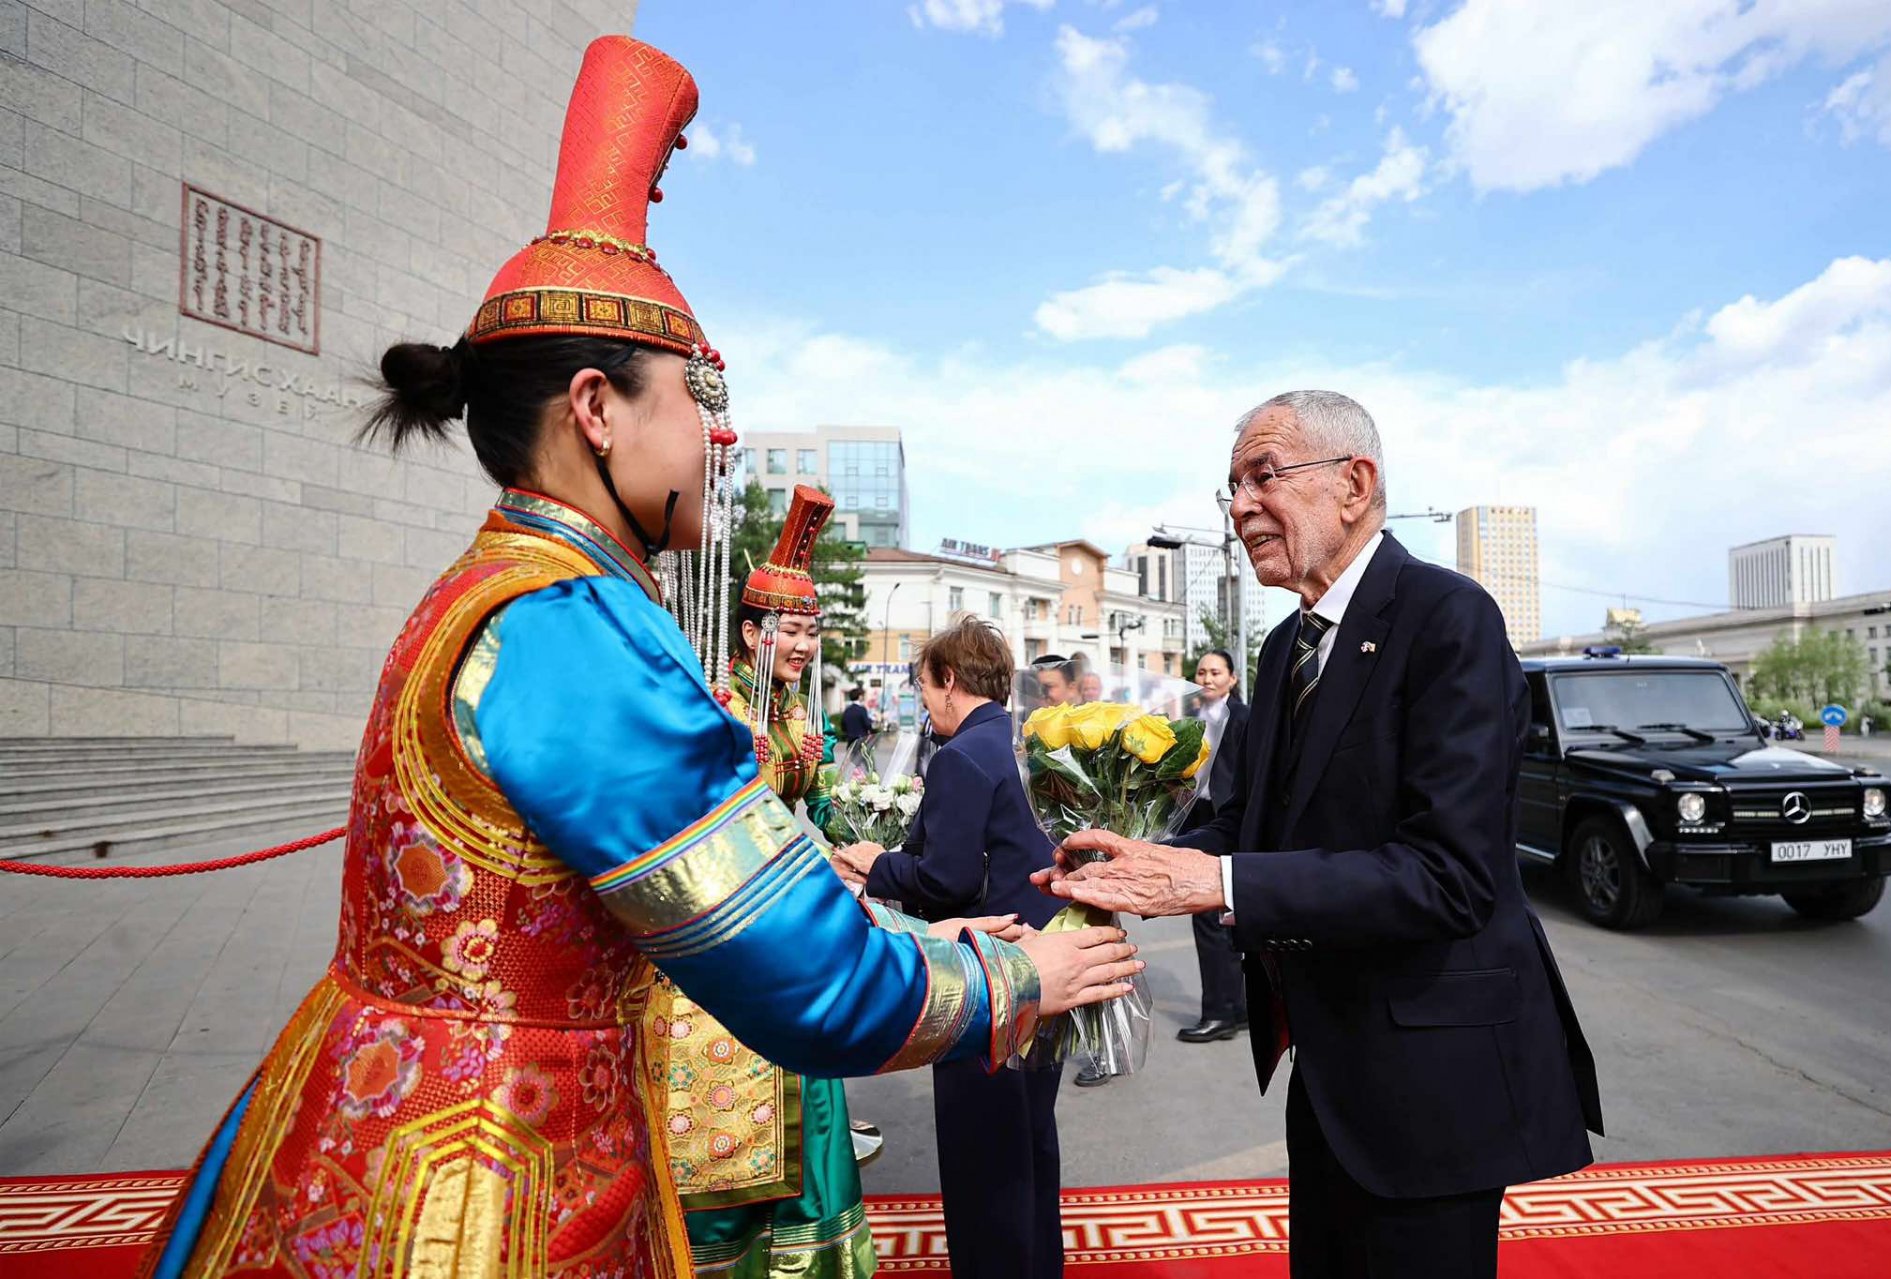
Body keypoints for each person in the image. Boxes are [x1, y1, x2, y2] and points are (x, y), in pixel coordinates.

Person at [138, 37, 1141, 1279]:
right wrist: (1014, 975)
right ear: (598, 409)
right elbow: (804, 973)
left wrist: (925, 929)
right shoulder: (573, 624)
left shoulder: (495, 586)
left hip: (377, 1120)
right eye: (694, 401)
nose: (717, 440)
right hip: (487, 1171)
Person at [1039, 390, 1601, 1279]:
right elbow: (1255, 821)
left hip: (1435, 1083)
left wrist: (1215, 883)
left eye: (1263, 476)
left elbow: (1449, 875)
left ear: (1355, 484)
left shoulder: (1448, 618)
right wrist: (1141, 859)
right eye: (1231, 486)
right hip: (1333, 1069)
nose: (1239, 507)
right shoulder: (1286, 647)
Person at [666, 487, 877, 1276]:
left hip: (786, 920)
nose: (804, 646)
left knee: (811, 1082)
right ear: (752, 633)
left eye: (812, 632)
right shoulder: (717, 704)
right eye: (791, 631)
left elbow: (817, 801)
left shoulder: (791, 711)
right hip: (725, 929)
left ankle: (808, 1256)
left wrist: (870, 840)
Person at [834, 618, 1067, 1279]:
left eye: (924, 686)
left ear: (949, 680)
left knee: (983, 1155)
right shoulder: (1021, 742)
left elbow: (949, 878)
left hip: (989, 968)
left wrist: (877, 866)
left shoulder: (962, 756)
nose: (925, 702)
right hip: (1043, 960)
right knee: (1029, 1140)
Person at [1177, 649, 1250, 1044]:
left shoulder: (1243, 718)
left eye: (1215, 672)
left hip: (1230, 820)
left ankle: (1221, 1012)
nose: (1207, 679)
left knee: (1217, 916)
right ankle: (1234, 1009)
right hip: (1196, 817)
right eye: (1202, 672)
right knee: (1210, 916)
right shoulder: (1186, 718)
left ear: (1232, 679)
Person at [842, 687, 874, 752]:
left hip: (850, 742)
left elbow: (843, 725)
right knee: (866, 758)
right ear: (859, 697)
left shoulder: (847, 710)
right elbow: (867, 724)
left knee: (851, 757)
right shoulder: (862, 710)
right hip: (861, 741)